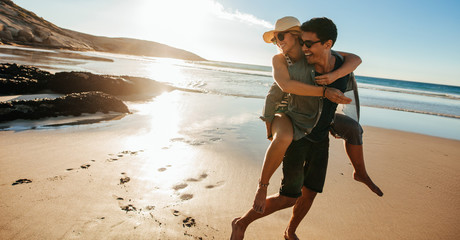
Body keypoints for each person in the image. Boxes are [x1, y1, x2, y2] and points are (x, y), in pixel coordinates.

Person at [231, 17, 380, 240]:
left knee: (310, 193)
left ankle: (290, 231)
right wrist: (269, 121)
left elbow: (354, 59)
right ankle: (242, 222)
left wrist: (335, 75)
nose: (278, 42)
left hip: (321, 135)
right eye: (275, 39)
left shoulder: (322, 57)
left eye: (281, 36)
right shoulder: (290, 60)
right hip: (298, 130)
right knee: (289, 196)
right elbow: (282, 87)